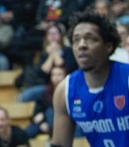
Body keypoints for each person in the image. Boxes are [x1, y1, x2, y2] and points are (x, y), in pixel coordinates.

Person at [51, 10, 129, 147]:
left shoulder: (126, 78)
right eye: (76, 40)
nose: (82, 45)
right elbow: (59, 145)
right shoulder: (65, 91)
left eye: (91, 38)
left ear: (108, 46)